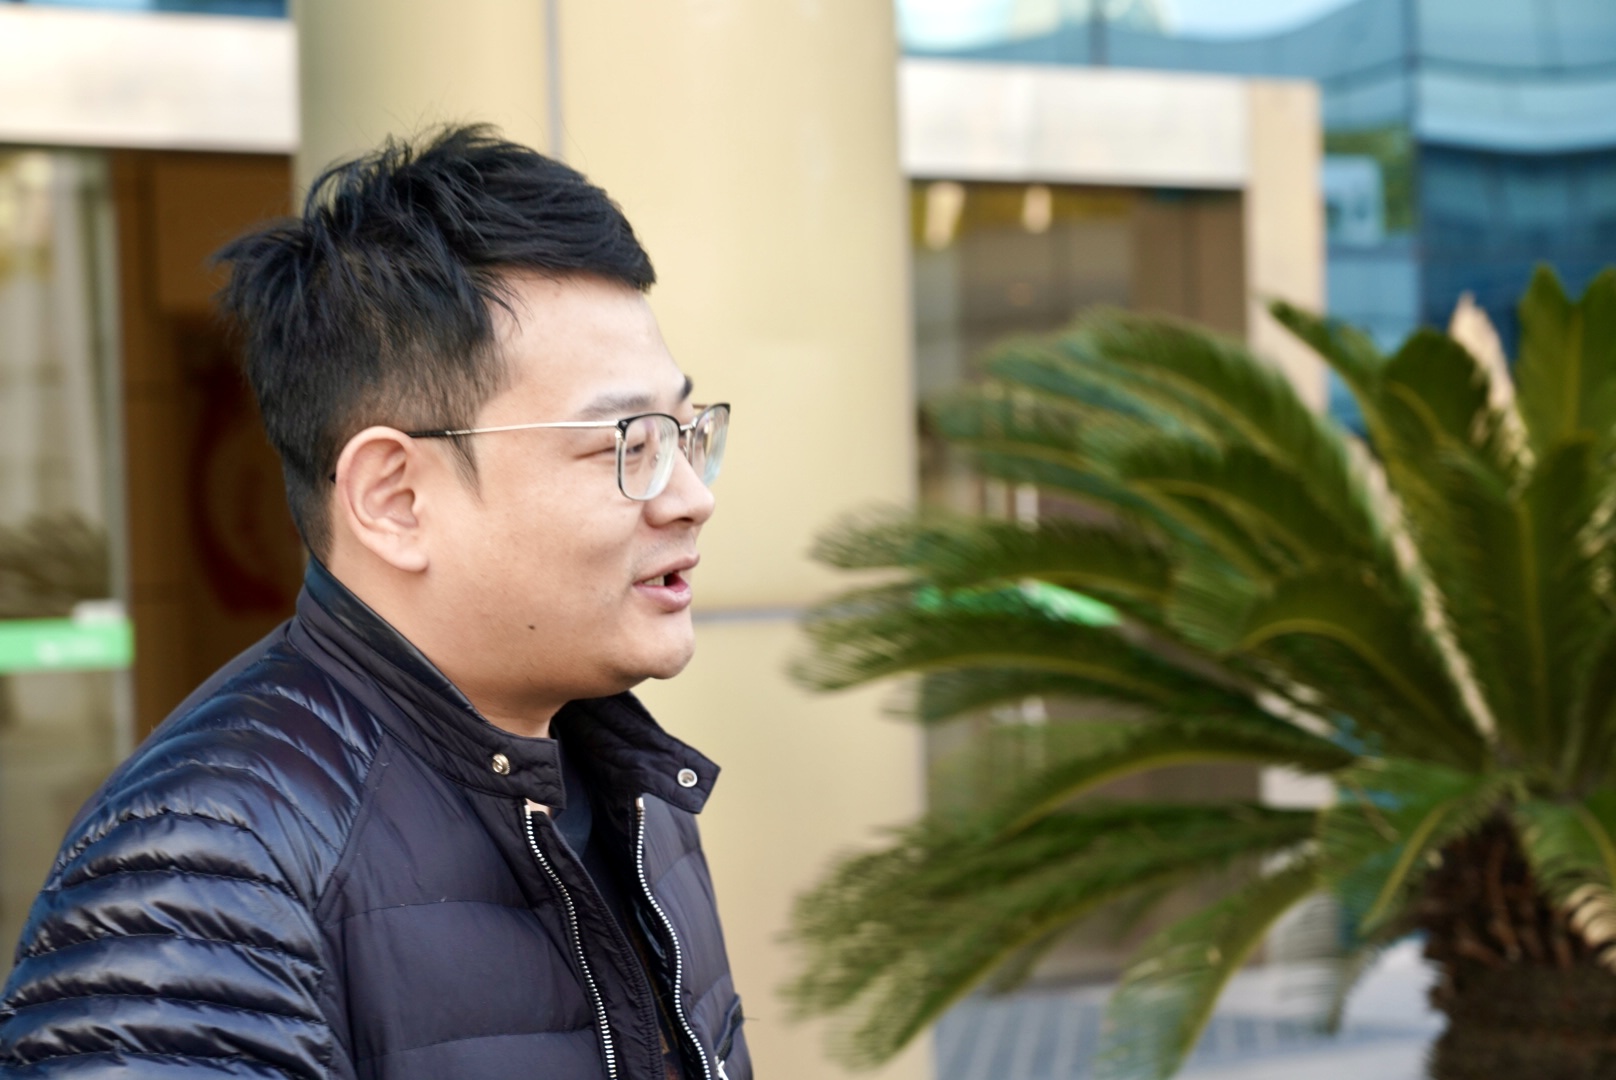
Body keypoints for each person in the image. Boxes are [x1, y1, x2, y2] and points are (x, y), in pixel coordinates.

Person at [0, 125, 747, 1080]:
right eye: (629, 445)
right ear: (395, 499)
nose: (690, 496)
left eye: (686, 433)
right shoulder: (205, 869)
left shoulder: (633, 794)